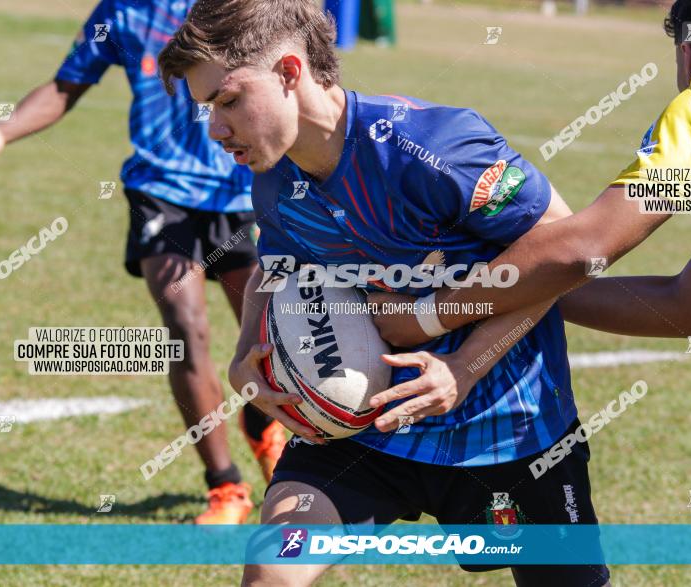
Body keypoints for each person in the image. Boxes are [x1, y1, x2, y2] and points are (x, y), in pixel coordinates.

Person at [368, 0, 691, 583]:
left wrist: (434, 313)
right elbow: (681, 307)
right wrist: (520, 293)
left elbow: (589, 244)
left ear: (688, 54)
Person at [158, 0, 612, 584]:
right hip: (359, 429)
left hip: (511, 433)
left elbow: (561, 254)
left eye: (228, 101)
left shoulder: (433, 147)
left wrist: (463, 368)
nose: (216, 129)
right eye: (207, 109)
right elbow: (277, 270)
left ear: (290, 73)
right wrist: (246, 356)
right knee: (273, 570)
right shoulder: (274, 178)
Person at [0, 0, 285, 525]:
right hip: (159, 193)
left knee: (272, 335)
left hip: (242, 192)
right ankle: (225, 486)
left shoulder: (240, 6)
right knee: (186, 327)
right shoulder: (124, 11)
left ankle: (258, 420)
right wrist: (5, 129)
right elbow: (67, 84)